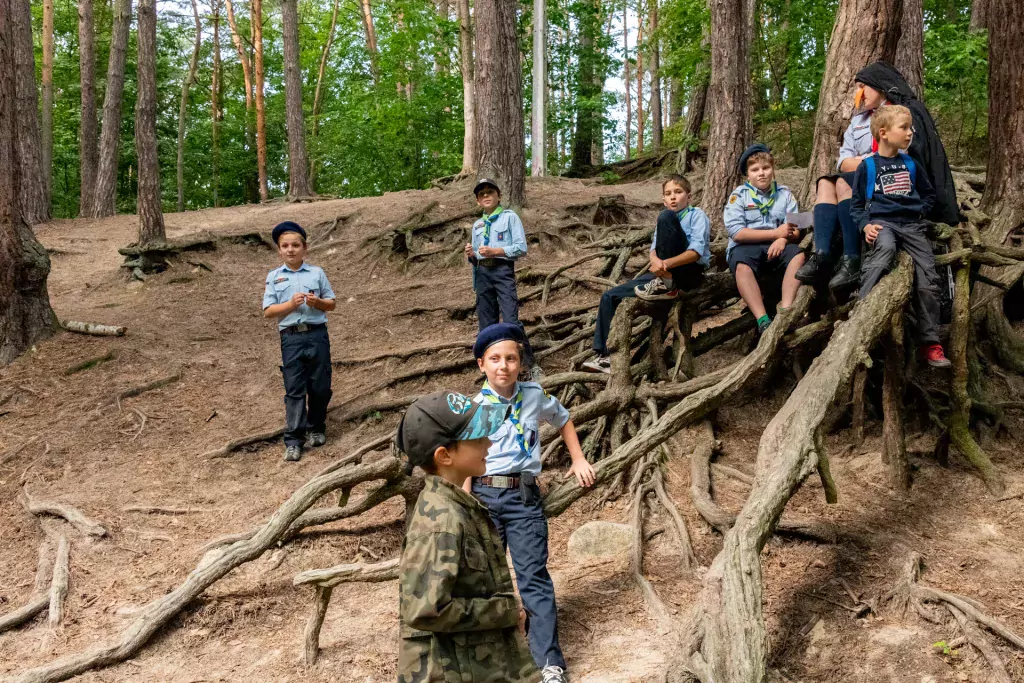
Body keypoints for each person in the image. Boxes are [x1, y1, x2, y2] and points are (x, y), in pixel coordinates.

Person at [468, 323, 596, 683]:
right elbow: (466, 455)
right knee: (487, 578)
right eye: (495, 359)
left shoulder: (534, 395)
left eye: (511, 358)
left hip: (524, 497)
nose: (503, 366)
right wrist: (464, 497)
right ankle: (493, 659)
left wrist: (579, 458)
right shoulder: (475, 406)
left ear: (520, 362)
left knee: (533, 578)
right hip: (484, 496)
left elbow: (564, 419)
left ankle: (549, 663)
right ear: (482, 364)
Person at [395, 391, 539, 683]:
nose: (489, 443)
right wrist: (506, 610)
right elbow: (424, 610)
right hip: (451, 671)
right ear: (444, 455)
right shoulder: (442, 521)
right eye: (477, 438)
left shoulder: (457, 505)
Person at [798, 60, 960, 290]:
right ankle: (822, 255)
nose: (859, 93)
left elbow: (905, 153)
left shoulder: (901, 115)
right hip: (865, 174)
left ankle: (852, 259)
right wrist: (867, 161)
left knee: (844, 184)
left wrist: (866, 160)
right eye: (857, 88)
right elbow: (844, 161)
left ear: (879, 85)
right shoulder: (858, 122)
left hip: (890, 180)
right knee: (825, 183)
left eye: (863, 86)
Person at [852, 105, 951, 368]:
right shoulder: (868, 167)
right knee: (883, 249)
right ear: (883, 133)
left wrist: (920, 211)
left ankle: (930, 342)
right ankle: (862, 309)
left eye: (911, 128)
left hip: (912, 227)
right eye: (904, 128)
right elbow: (857, 205)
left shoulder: (911, 163)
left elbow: (928, 194)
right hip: (882, 223)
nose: (910, 133)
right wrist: (865, 226)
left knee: (928, 276)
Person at [582, 174, 712, 374]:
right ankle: (605, 357)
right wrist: (656, 263)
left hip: (689, 274)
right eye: (668, 194)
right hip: (663, 274)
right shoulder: (664, 220)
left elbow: (695, 253)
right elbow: (653, 250)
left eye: (678, 192)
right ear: (663, 199)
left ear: (689, 196)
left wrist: (665, 265)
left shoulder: (696, 215)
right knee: (610, 296)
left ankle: (667, 286)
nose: (673, 198)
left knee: (665, 217)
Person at [262, 221, 336, 462]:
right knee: (294, 389)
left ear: (305, 248)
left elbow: (332, 303)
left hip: (317, 334)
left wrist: (318, 303)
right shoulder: (274, 277)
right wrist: (291, 305)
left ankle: (316, 428)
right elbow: (269, 311)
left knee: (320, 385)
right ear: (279, 250)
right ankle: (294, 440)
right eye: (285, 246)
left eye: (295, 245)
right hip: (291, 337)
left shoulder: (317, 273)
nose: (290, 249)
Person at [724, 143, 806, 334]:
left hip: (776, 246)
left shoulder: (785, 195)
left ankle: (786, 312)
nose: (761, 173)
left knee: (798, 256)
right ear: (747, 174)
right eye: (755, 170)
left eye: (765, 168)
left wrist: (783, 239)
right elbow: (737, 232)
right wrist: (776, 233)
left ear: (773, 169)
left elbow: (796, 230)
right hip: (746, 246)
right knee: (742, 265)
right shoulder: (739, 196)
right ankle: (763, 320)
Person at [463, 179, 539, 379]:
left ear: (499, 196)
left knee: (511, 320)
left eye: (490, 192)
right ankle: (492, 369)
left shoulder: (509, 217)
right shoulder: (478, 225)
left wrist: (495, 251)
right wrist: (471, 255)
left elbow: (521, 248)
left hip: (502, 272)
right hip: (482, 275)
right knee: (486, 323)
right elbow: (478, 256)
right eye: (482, 194)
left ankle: (528, 366)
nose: (486, 196)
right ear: (478, 201)